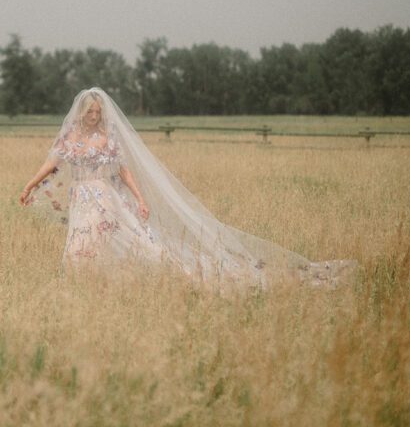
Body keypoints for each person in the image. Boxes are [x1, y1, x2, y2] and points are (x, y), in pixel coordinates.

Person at [18, 87, 354, 288]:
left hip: (105, 196)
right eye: (89, 111)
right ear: (80, 112)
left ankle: (150, 275)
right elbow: (52, 164)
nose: (93, 116)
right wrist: (30, 186)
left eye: (97, 111)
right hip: (81, 197)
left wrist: (139, 198)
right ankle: (84, 283)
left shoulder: (107, 137)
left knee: (116, 237)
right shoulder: (69, 137)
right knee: (80, 239)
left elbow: (122, 172)